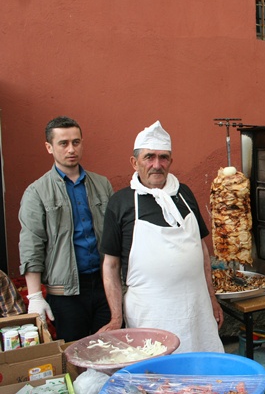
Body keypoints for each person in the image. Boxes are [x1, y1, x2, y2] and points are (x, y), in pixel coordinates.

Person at [99, 121, 224, 353]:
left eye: (163, 157)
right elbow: (110, 265)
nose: (157, 165)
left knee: (201, 369)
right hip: (150, 316)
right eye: (149, 157)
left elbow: (201, 250)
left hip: (196, 311)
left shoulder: (184, 193)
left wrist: (212, 299)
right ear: (134, 162)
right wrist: (116, 318)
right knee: (158, 371)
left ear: (171, 161)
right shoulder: (121, 203)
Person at [18, 116, 113, 342]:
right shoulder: (37, 192)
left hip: (105, 286)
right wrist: (34, 296)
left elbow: (116, 235)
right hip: (66, 293)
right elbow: (32, 243)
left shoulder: (102, 184)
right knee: (73, 352)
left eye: (76, 142)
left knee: (111, 350)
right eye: (63, 143)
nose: (71, 149)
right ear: (49, 147)